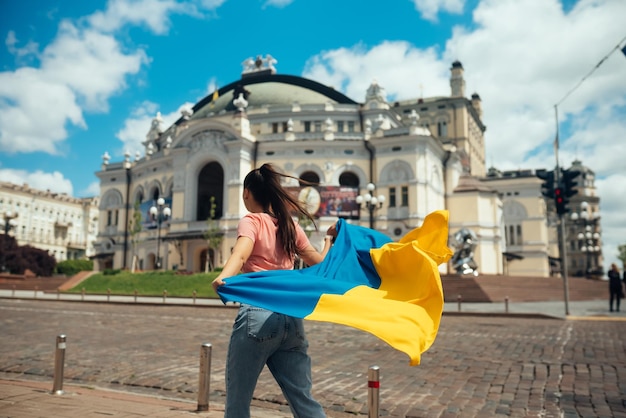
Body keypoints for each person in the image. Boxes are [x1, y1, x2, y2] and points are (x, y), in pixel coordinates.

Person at [212, 163, 335, 418]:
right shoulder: (289, 225)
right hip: (291, 318)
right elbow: (321, 265)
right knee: (304, 401)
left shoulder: (251, 220)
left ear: (247, 192)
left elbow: (242, 251)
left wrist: (224, 276)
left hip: (258, 315)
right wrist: (328, 242)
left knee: (238, 402)